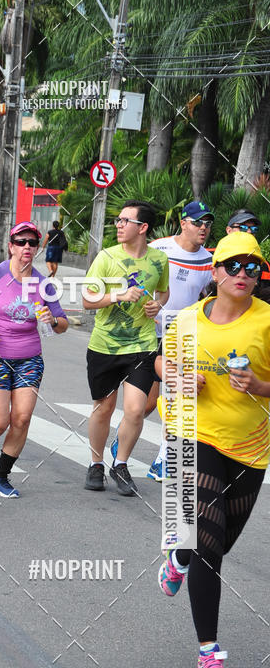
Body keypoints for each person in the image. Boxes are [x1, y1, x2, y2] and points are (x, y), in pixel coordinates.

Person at [156, 232, 270, 668]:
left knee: (219, 542)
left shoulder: (266, 321)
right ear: (215, 271)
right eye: (235, 265)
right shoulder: (186, 320)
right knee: (209, 549)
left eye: (253, 267)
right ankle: (209, 653)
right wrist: (180, 376)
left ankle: (177, 553)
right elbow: (161, 363)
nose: (244, 274)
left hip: (250, 446)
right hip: (192, 435)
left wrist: (260, 387)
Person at [0, 220, 69, 497]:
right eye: (21, 242)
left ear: (37, 248)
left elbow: (63, 324)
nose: (27, 247)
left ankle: (1, 477)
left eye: (32, 243)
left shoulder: (43, 283)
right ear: (11, 246)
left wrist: (53, 320)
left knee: (22, 419)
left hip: (29, 358)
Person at [83, 199, 169, 496]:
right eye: (118, 221)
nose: (118, 225)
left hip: (142, 345)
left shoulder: (159, 260)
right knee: (104, 409)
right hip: (105, 345)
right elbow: (86, 300)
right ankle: (96, 464)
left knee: (134, 411)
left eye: (125, 221)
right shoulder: (106, 257)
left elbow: (164, 291)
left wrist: (158, 305)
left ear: (142, 228)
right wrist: (118, 296)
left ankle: (120, 464)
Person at [143, 200, 214, 480]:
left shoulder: (209, 261)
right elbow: (137, 280)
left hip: (183, 338)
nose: (204, 228)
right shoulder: (159, 249)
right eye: (198, 223)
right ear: (183, 223)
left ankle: (163, 458)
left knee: (176, 398)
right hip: (151, 334)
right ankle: (121, 442)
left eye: (208, 224)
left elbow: (208, 299)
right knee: (147, 404)